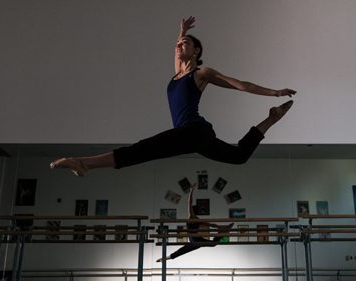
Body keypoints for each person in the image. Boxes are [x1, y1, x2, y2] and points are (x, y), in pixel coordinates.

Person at [50, 16, 296, 176]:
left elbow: (241, 85)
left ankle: (83, 163)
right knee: (239, 156)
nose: (178, 46)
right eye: (177, 44)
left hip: (195, 131)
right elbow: (178, 49)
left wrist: (274, 92)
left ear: (197, 50)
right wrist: (182, 32)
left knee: (145, 148)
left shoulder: (201, 73)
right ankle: (272, 119)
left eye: (185, 44)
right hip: (191, 136)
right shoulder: (177, 74)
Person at [156, 183, 233, 262]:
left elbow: (212, 224)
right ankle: (222, 232)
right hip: (196, 241)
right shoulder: (192, 217)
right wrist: (191, 191)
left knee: (181, 251)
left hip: (195, 240)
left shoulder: (196, 219)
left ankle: (165, 258)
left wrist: (224, 228)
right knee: (183, 251)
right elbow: (190, 203)